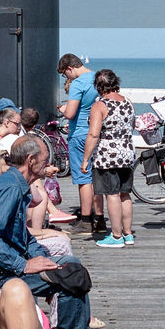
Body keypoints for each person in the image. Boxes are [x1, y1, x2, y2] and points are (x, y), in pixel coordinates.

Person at [0, 134, 111, 329]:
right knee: (69, 276)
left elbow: (20, 234)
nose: (48, 163)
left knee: (69, 266)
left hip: (1, 263)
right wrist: (23, 265)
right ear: (31, 160)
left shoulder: (16, 184)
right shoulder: (10, 188)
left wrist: (40, 256)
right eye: (45, 159)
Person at [81, 68, 137, 248]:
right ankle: (128, 234)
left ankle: (116, 235)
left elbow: (94, 134)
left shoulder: (99, 106)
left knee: (111, 194)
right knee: (125, 194)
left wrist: (85, 159)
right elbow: (131, 126)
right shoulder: (128, 102)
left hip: (107, 156)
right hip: (127, 153)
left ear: (98, 86)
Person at [57, 53, 103, 233]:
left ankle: (85, 220)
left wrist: (62, 109)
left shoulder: (78, 83)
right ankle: (99, 219)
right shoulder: (99, 78)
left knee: (83, 178)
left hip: (80, 134)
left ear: (70, 68)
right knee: (96, 176)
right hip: (97, 133)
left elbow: (70, 113)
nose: (66, 78)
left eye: (64, 74)